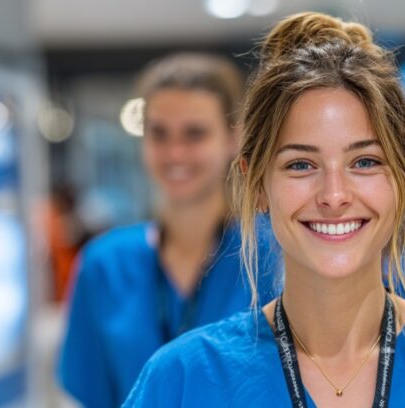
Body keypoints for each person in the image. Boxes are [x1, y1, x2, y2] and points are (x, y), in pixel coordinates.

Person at [123, 13, 405, 407]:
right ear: (256, 183)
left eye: (365, 162)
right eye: (300, 164)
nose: (334, 195)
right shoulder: (181, 382)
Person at [57, 53, 280, 407]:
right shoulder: (105, 264)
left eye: (195, 134)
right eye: (159, 134)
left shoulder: (276, 255)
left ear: (232, 140)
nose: (175, 153)